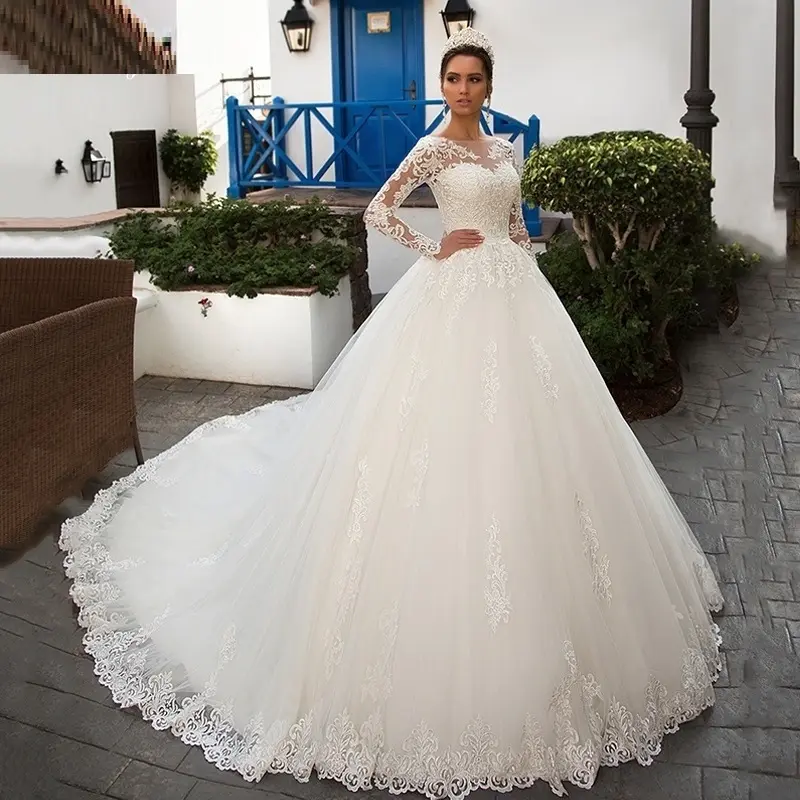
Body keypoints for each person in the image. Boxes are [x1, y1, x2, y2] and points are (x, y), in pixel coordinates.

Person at [60, 27, 723, 800]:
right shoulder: (434, 147)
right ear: (442, 85)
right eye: (454, 78)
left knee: (542, 444)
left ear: (488, 84)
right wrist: (434, 247)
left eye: (474, 78)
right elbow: (379, 209)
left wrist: (522, 250)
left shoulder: (505, 149)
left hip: (518, 299)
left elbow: (515, 222)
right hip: (453, 296)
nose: (463, 89)